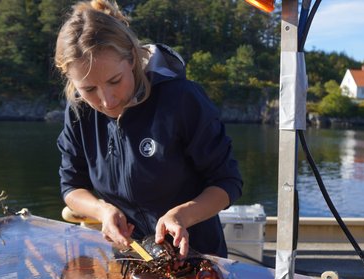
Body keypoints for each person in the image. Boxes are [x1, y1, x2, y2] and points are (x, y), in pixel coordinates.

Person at [54, 0, 242, 259]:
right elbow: (71, 187)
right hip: (130, 259)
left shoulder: (181, 99)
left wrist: (182, 215)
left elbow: (227, 182)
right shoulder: (78, 112)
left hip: (197, 259)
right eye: (88, 90)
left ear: (132, 58)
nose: (106, 101)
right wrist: (102, 211)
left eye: (114, 81)